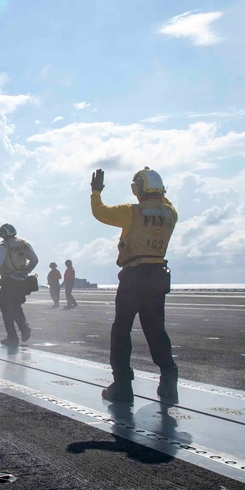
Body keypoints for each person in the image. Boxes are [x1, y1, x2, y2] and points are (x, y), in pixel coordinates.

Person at [91, 167, 179, 404]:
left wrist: (95, 192)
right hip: (158, 277)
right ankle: (169, 382)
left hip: (134, 276)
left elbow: (99, 213)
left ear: (139, 190)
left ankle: (122, 387)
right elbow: (163, 201)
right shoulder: (171, 213)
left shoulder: (132, 212)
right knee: (156, 330)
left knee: (121, 331)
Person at [0, 223, 38, 347]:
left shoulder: (4, 246)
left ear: (4, 234)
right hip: (22, 281)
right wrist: (26, 271)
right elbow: (34, 260)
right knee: (16, 306)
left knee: (6, 308)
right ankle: (24, 328)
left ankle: (12, 337)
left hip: (9, 281)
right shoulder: (24, 244)